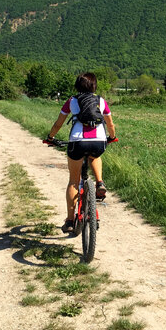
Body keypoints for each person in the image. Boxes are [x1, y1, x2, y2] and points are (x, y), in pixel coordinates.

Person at [45, 72, 117, 233]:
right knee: (95, 155)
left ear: (77, 86)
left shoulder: (71, 101)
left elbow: (58, 124)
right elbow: (110, 124)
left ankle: (70, 221)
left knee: (73, 181)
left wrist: (50, 137)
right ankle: (99, 182)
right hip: (98, 141)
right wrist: (111, 137)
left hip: (77, 142)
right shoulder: (101, 101)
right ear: (94, 86)